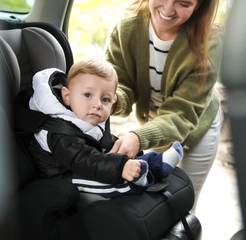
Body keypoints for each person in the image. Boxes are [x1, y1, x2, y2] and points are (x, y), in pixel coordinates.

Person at [105, 0, 222, 208]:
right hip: (155, 124)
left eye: (183, 3)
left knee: (182, 204)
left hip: (198, 127)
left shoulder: (209, 43)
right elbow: (121, 84)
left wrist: (139, 137)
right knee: (152, 202)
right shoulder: (126, 28)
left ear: (199, 4)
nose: (168, 10)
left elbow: (181, 115)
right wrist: (109, 99)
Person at [28, 57, 183, 198]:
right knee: (111, 179)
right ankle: (129, 185)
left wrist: (128, 155)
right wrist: (121, 166)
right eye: (88, 95)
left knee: (119, 154)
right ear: (67, 97)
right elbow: (83, 160)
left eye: (105, 99)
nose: (97, 105)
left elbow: (101, 142)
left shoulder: (82, 114)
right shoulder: (58, 131)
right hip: (64, 175)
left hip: (88, 162)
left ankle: (155, 164)